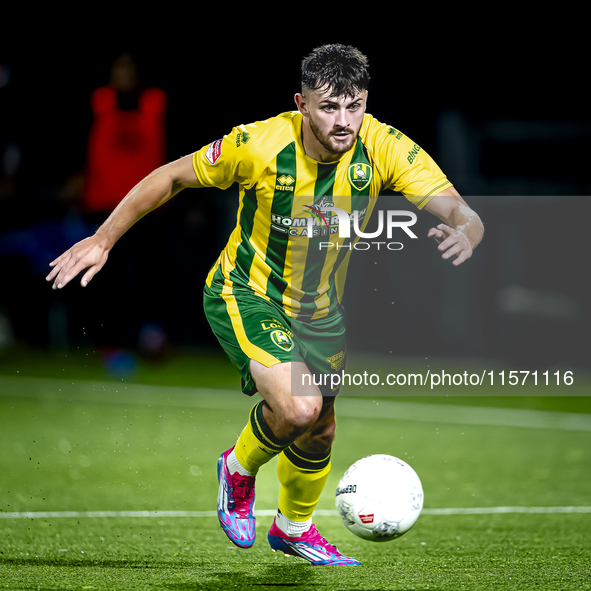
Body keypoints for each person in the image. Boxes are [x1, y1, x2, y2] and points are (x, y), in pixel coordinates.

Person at [46, 44, 484, 566]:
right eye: (329, 107)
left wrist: (467, 230)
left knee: (320, 428)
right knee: (300, 406)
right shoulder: (259, 144)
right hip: (246, 293)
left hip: (320, 311)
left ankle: (293, 527)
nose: (344, 122)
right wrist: (104, 238)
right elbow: (171, 176)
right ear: (301, 103)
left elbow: (459, 208)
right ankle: (237, 469)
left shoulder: (385, 146)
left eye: (355, 106)